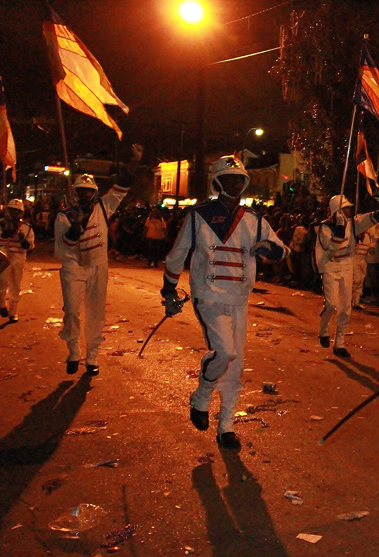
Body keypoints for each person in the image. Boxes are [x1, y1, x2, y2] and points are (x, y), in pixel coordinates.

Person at [161, 155, 289, 450]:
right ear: (217, 182)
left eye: (239, 179)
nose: (234, 184)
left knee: (237, 364)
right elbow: (177, 255)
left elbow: (283, 250)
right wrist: (168, 291)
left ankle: (226, 426)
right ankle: (202, 396)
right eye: (228, 178)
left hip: (239, 299)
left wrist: (270, 248)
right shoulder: (199, 215)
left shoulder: (255, 221)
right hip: (208, 295)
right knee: (225, 352)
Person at [55, 144, 142, 375]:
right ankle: (73, 352)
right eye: (81, 190)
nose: (84, 194)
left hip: (98, 265)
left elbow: (121, 186)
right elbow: (63, 246)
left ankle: (92, 357)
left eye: (88, 190)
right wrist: (75, 227)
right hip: (73, 267)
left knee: (96, 313)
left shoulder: (104, 207)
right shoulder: (64, 215)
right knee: (72, 310)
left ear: (94, 192)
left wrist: (134, 162)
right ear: (75, 192)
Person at [315, 194, 379, 358]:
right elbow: (332, 248)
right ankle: (324, 330)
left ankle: (339, 343)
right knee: (330, 303)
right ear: (338, 210)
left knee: (345, 307)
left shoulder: (353, 224)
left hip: (347, 266)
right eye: (346, 207)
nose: (350, 210)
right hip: (330, 266)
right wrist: (339, 230)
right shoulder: (325, 227)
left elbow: (367, 220)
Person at [0, 198, 36, 323]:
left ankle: (13, 313)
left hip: (18, 257)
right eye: (11, 210)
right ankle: (2, 305)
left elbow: (30, 246)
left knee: (15, 285)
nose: (13, 213)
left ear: (20, 213)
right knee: (2, 282)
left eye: (16, 211)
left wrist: (22, 239)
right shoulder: (1, 224)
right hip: (3, 257)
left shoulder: (26, 228)